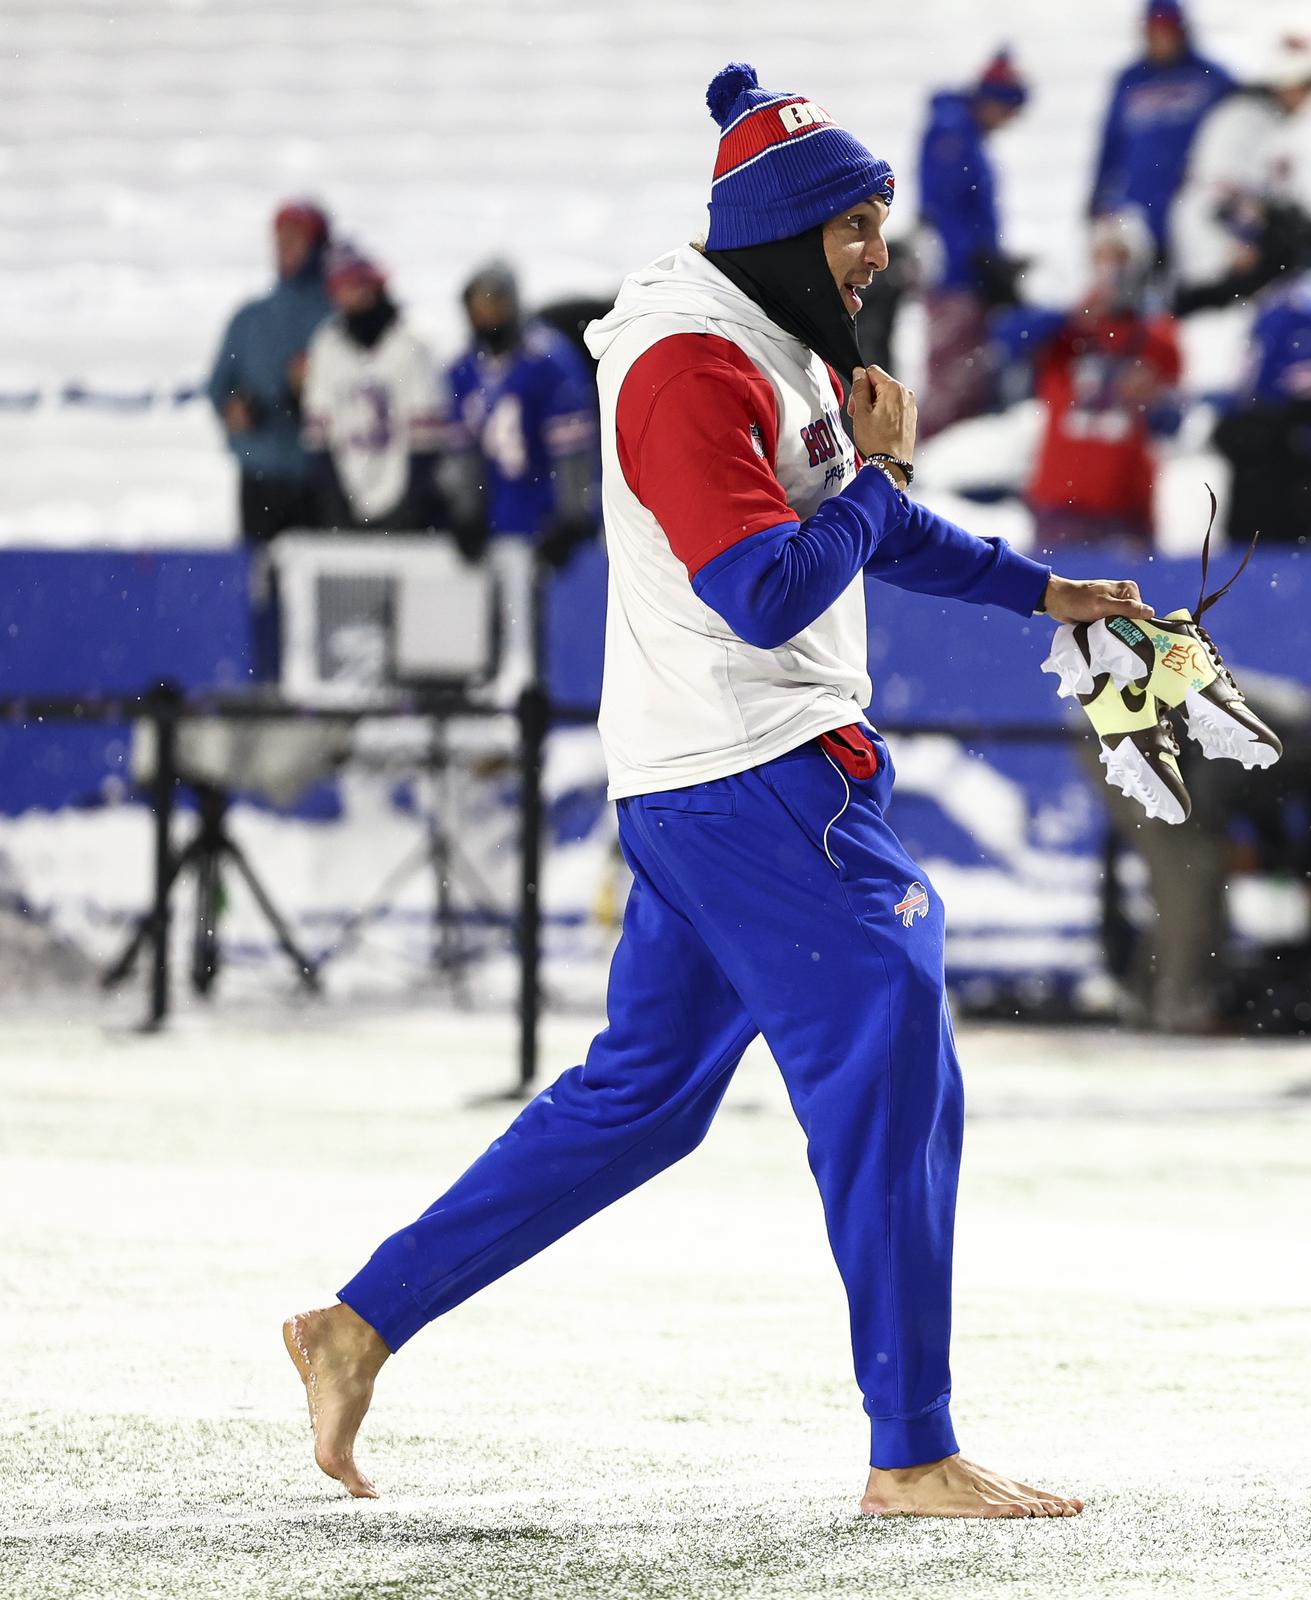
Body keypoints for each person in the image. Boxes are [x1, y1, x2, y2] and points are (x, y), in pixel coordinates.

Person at [280, 62, 1157, 1520]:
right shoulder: (694, 367)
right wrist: (878, 473)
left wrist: (1047, 590)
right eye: (856, 225)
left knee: (640, 1105)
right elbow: (764, 590)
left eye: (881, 219)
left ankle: (357, 1324)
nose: (880, 251)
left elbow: (864, 527)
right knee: (893, 1048)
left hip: (718, 782)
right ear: (778, 231)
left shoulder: (774, 340)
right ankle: (912, 1451)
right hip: (755, 777)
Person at [1022, 210, 1183, 551]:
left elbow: (1172, 423)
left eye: (1120, 258)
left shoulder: (1157, 335)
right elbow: (1007, 340)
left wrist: (1153, 398)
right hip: (1059, 505)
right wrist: (1070, 317)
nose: (1110, 270)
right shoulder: (1063, 331)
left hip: (1125, 508)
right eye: (1102, 257)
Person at [445, 260, 601, 567]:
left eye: (494, 304)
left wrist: (572, 518)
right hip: (496, 526)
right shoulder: (463, 370)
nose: (487, 316)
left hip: (544, 523)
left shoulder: (548, 362)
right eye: (478, 308)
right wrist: (467, 513)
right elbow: (464, 452)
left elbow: (572, 450)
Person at [916, 48, 1030, 438]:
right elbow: (947, 209)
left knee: (968, 377)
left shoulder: (964, 133)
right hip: (955, 278)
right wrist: (978, 260)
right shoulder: (953, 132)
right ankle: (929, 458)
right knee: (953, 382)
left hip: (966, 272)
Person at [206, 200, 332, 542]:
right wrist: (233, 409)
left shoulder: (337, 317)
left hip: (320, 479)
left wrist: (311, 389)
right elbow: (219, 385)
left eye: (297, 239)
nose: (285, 249)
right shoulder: (250, 318)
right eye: (280, 239)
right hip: (260, 475)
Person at [1169, 35, 1311, 297]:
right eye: (1305, 88)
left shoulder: (1273, 121)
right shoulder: (1243, 117)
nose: (1307, 100)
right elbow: (1222, 189)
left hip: (1236, 250)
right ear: (1288, 85)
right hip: (1215, 256)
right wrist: (1243, 237)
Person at [301, 245, 448, 529]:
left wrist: (411, 503)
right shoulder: (327, 345)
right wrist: (335, 500)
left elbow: (427, 440)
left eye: (359, 284)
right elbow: (319, 436)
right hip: (349, 494)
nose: (354, 296)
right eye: (344, 287)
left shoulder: (411, 343)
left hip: (405, 498)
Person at [1089, 0, 1236, 273]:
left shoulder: (1211, 78)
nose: (1161, 41)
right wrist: (1098, 199)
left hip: (1192, 204)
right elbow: (1111, 145)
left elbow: (1237, 129)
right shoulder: (1129, 80)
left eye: (1167, 32)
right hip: (1140, 207)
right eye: (1154, 33)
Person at [1212, 270, 1311, 544]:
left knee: (1277, 565)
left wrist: (1250, 432)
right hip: (1256, 473)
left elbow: (1307, 406)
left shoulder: (1300, 308)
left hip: (1284, 474)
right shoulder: (1270, 305)